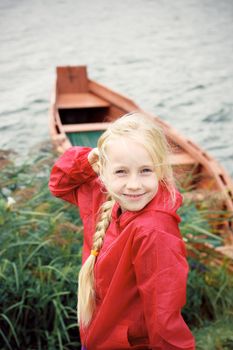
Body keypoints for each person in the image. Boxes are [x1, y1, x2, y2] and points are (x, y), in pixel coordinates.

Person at [49, 112, 195, 350]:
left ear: (159, 171)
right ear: (103, 173)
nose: (134, 184)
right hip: (96, 333)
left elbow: (164, 317)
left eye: (146, 170)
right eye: (121, 171)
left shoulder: (154, 232)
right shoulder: (103, 194)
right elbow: (58, 184)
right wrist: (90, 158)